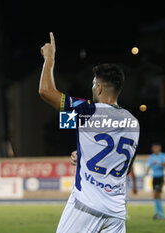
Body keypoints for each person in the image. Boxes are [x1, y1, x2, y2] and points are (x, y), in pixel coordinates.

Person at [39, 32, 140, 233]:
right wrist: (86, 153)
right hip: (116, 213)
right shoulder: (133, 122)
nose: (92, 87)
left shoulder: (89, 110)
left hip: (86, 207)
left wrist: (49, 59)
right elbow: (126, 166)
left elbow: (45, 91)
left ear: (100, 88)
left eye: (94, 84)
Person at [145, 143, 165, 220]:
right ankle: (159, 214)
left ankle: (160, 214)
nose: (156, 149)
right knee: (156, 195)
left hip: (160, 177)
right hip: (154, 177)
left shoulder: (163, 155)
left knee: (156, 194)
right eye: (154, 148)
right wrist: (146, 173)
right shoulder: (151, 157)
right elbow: (149, 166)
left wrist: (159, 163)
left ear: (159, 148)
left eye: (157, 148)